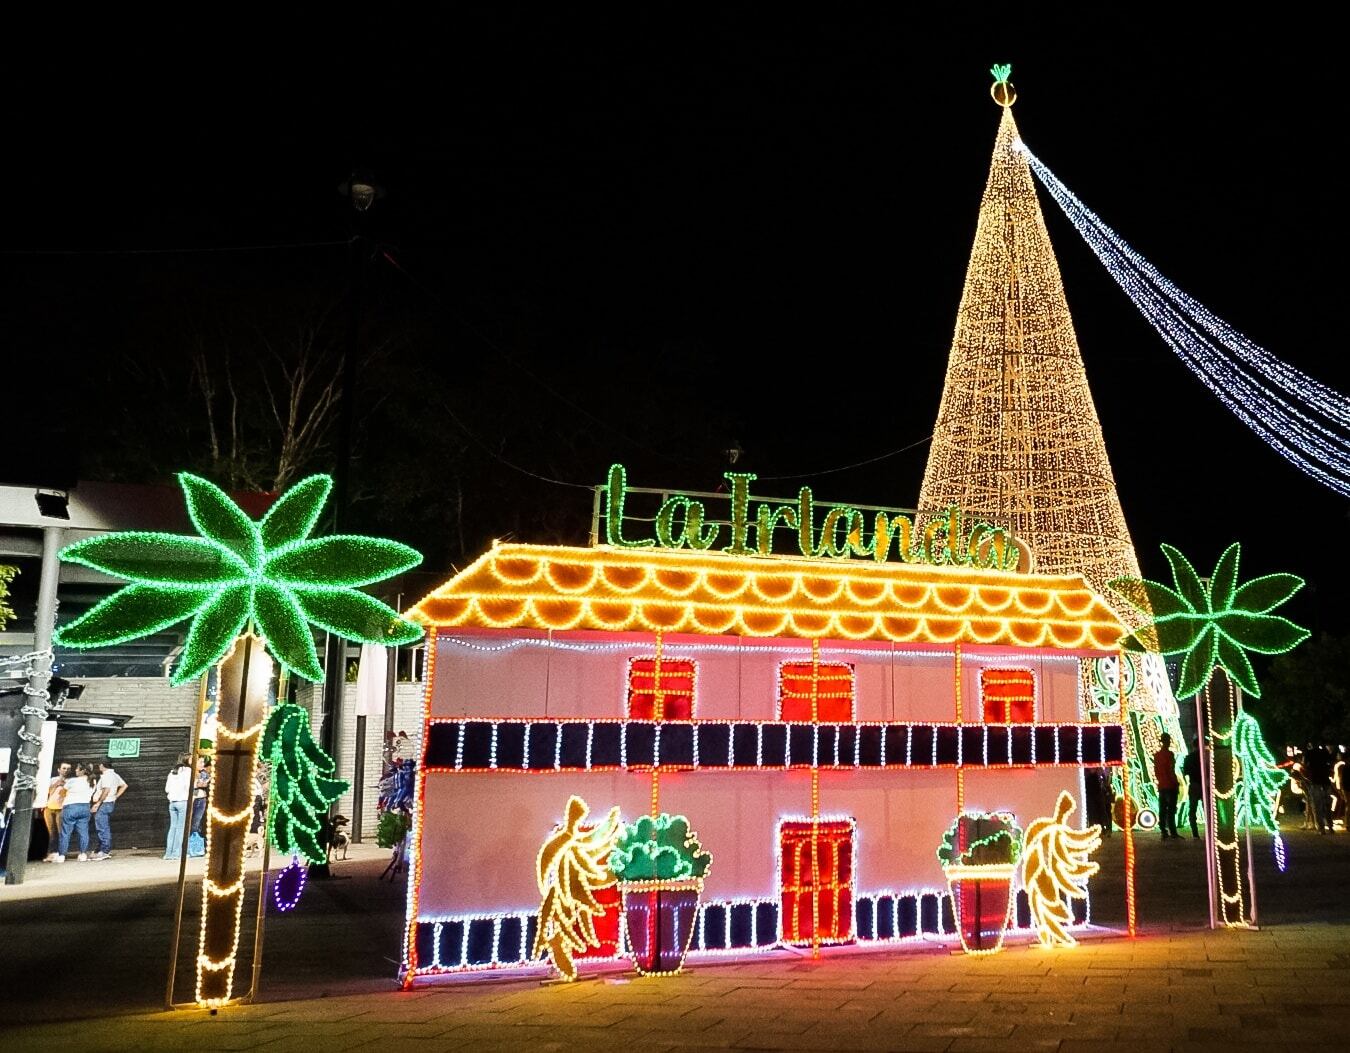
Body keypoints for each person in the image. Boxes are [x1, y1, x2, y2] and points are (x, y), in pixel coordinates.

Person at [54, 763, 96, 862]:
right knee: (83, 832)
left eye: (77, 769)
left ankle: (61, 856)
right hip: (85, 807)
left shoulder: (72, 781)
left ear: (83, 771)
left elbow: (62, 792)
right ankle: (82, 854)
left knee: (65, 832)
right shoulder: (93, 781)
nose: (75, 770)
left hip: (71, 807)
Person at [90, 760, 128, 861]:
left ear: (102, 765)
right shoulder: (114, 775)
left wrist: (98, 804)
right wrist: (115, 797)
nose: (98, 767)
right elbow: (124, 785)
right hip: (109, 803)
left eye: (99, 765)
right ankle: (100, 850)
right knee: (103, 826)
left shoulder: (107, 775)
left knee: (102, 828)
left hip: (104, 803)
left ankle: (104, 851)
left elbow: (106, 790)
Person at [164, 754, 193, 859]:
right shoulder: (188, 771)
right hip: (183, 801)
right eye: (191, 759)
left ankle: (168, 853)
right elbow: (189, 786)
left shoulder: (172, 772)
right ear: (186, 760)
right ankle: (177, 853)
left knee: (173, 828)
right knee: (181, 829)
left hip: (172, 802)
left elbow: (167, 789)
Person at [1153, 733, 1180, 840]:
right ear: (1167, 741)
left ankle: (1163, 831)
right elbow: (1170, 770)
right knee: (1171, 809)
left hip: (1162, 785)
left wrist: (1160, 780)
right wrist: (1175, 782)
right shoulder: (1169, 754)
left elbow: (1156, 771)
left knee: (1162, 809)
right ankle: (1173, 832)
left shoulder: (1157, 755)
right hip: (1170, 785)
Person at [42, 762, 71, 862]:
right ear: (59, 770)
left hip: (61, 808)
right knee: (51, 831)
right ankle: (51, 853)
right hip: (49, 807)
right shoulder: (52, 780)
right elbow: (45, 792)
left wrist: (65, 786)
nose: (66, 770)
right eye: (64, 768)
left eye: (68, 769)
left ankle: (61, 852)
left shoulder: (70, 781)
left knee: (60, 831)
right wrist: (56, 784)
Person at [1304, 742, 1333, 834]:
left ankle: (1321, 828)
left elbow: (1305, 765)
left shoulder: (1309, 753)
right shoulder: (1324, 752)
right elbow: (1330, 762)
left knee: (1317, 806)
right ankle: (1330, 826)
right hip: (1325, 781)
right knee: (1327, 805)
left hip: (1315, 781)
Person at [1182, 739, 1203, 839]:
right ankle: (1211, 831)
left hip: (1194, 784)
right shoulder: (1205, 756)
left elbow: (1185, 772)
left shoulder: (1189, 758)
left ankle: (1195, 833)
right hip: (1204, 785)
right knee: (1208, 809)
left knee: (1192, 810)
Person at [191, 756, 211, 837]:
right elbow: (197, 785)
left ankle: (195, 843)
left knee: (198, 822)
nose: (203, 764)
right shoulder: (191, 773)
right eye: (201, 762)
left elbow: (204, 784)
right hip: (194, 799)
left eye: (203, 762)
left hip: (202, 799)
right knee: (193, 822)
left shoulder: (203, 773)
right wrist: (202, 784)